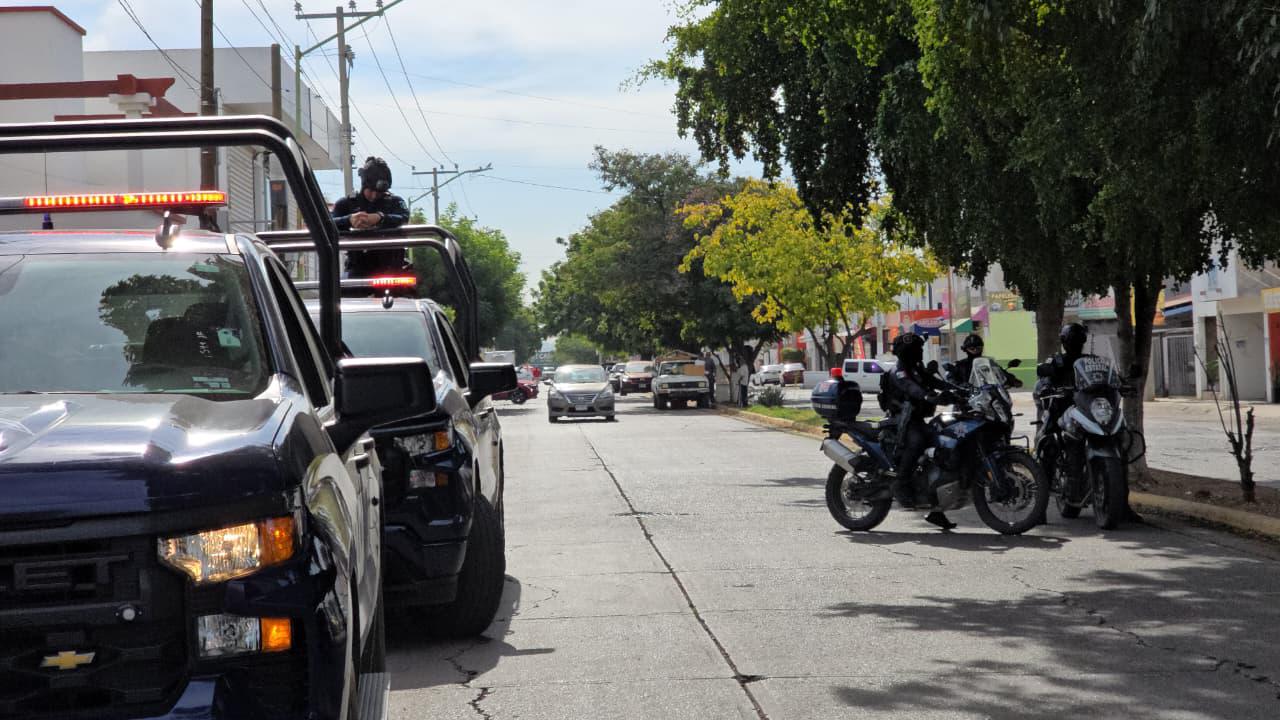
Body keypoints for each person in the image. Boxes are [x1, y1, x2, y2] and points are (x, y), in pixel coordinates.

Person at [881, 332, 957, 529]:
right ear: (909, 352)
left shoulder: (916, 368)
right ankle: (901, 483)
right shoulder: (899, 371)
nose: (921, 352)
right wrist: (927, 397)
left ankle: (936, 509)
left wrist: (958, 390)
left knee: (942, 446)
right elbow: (911, 388)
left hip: (916, 419)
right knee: (916, 442)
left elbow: (934, 382)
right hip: (901, 422)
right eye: (918, 349)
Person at [332, 157, 410, 278]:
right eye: (371, 190)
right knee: (342, 289)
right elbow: (327, 223)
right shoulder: (346, 204)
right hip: (358, 267)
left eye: (379, 193)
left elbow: (404, 217)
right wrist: (349, 220)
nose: (374, 196)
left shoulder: (395, 202)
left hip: (392, 269)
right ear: (364, 186)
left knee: (408, 288)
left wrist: (380, 217)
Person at [946, 333, 1022, 388]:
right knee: (958, 408)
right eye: (972, 348)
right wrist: (961, 385)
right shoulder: (961, 365)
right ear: (966, 349)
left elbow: (1001, 372)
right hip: (966, 398)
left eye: (978, 348)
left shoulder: (988, 363)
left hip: (989, 395)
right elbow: (951, 378)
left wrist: (1013, 380)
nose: (975, 350)